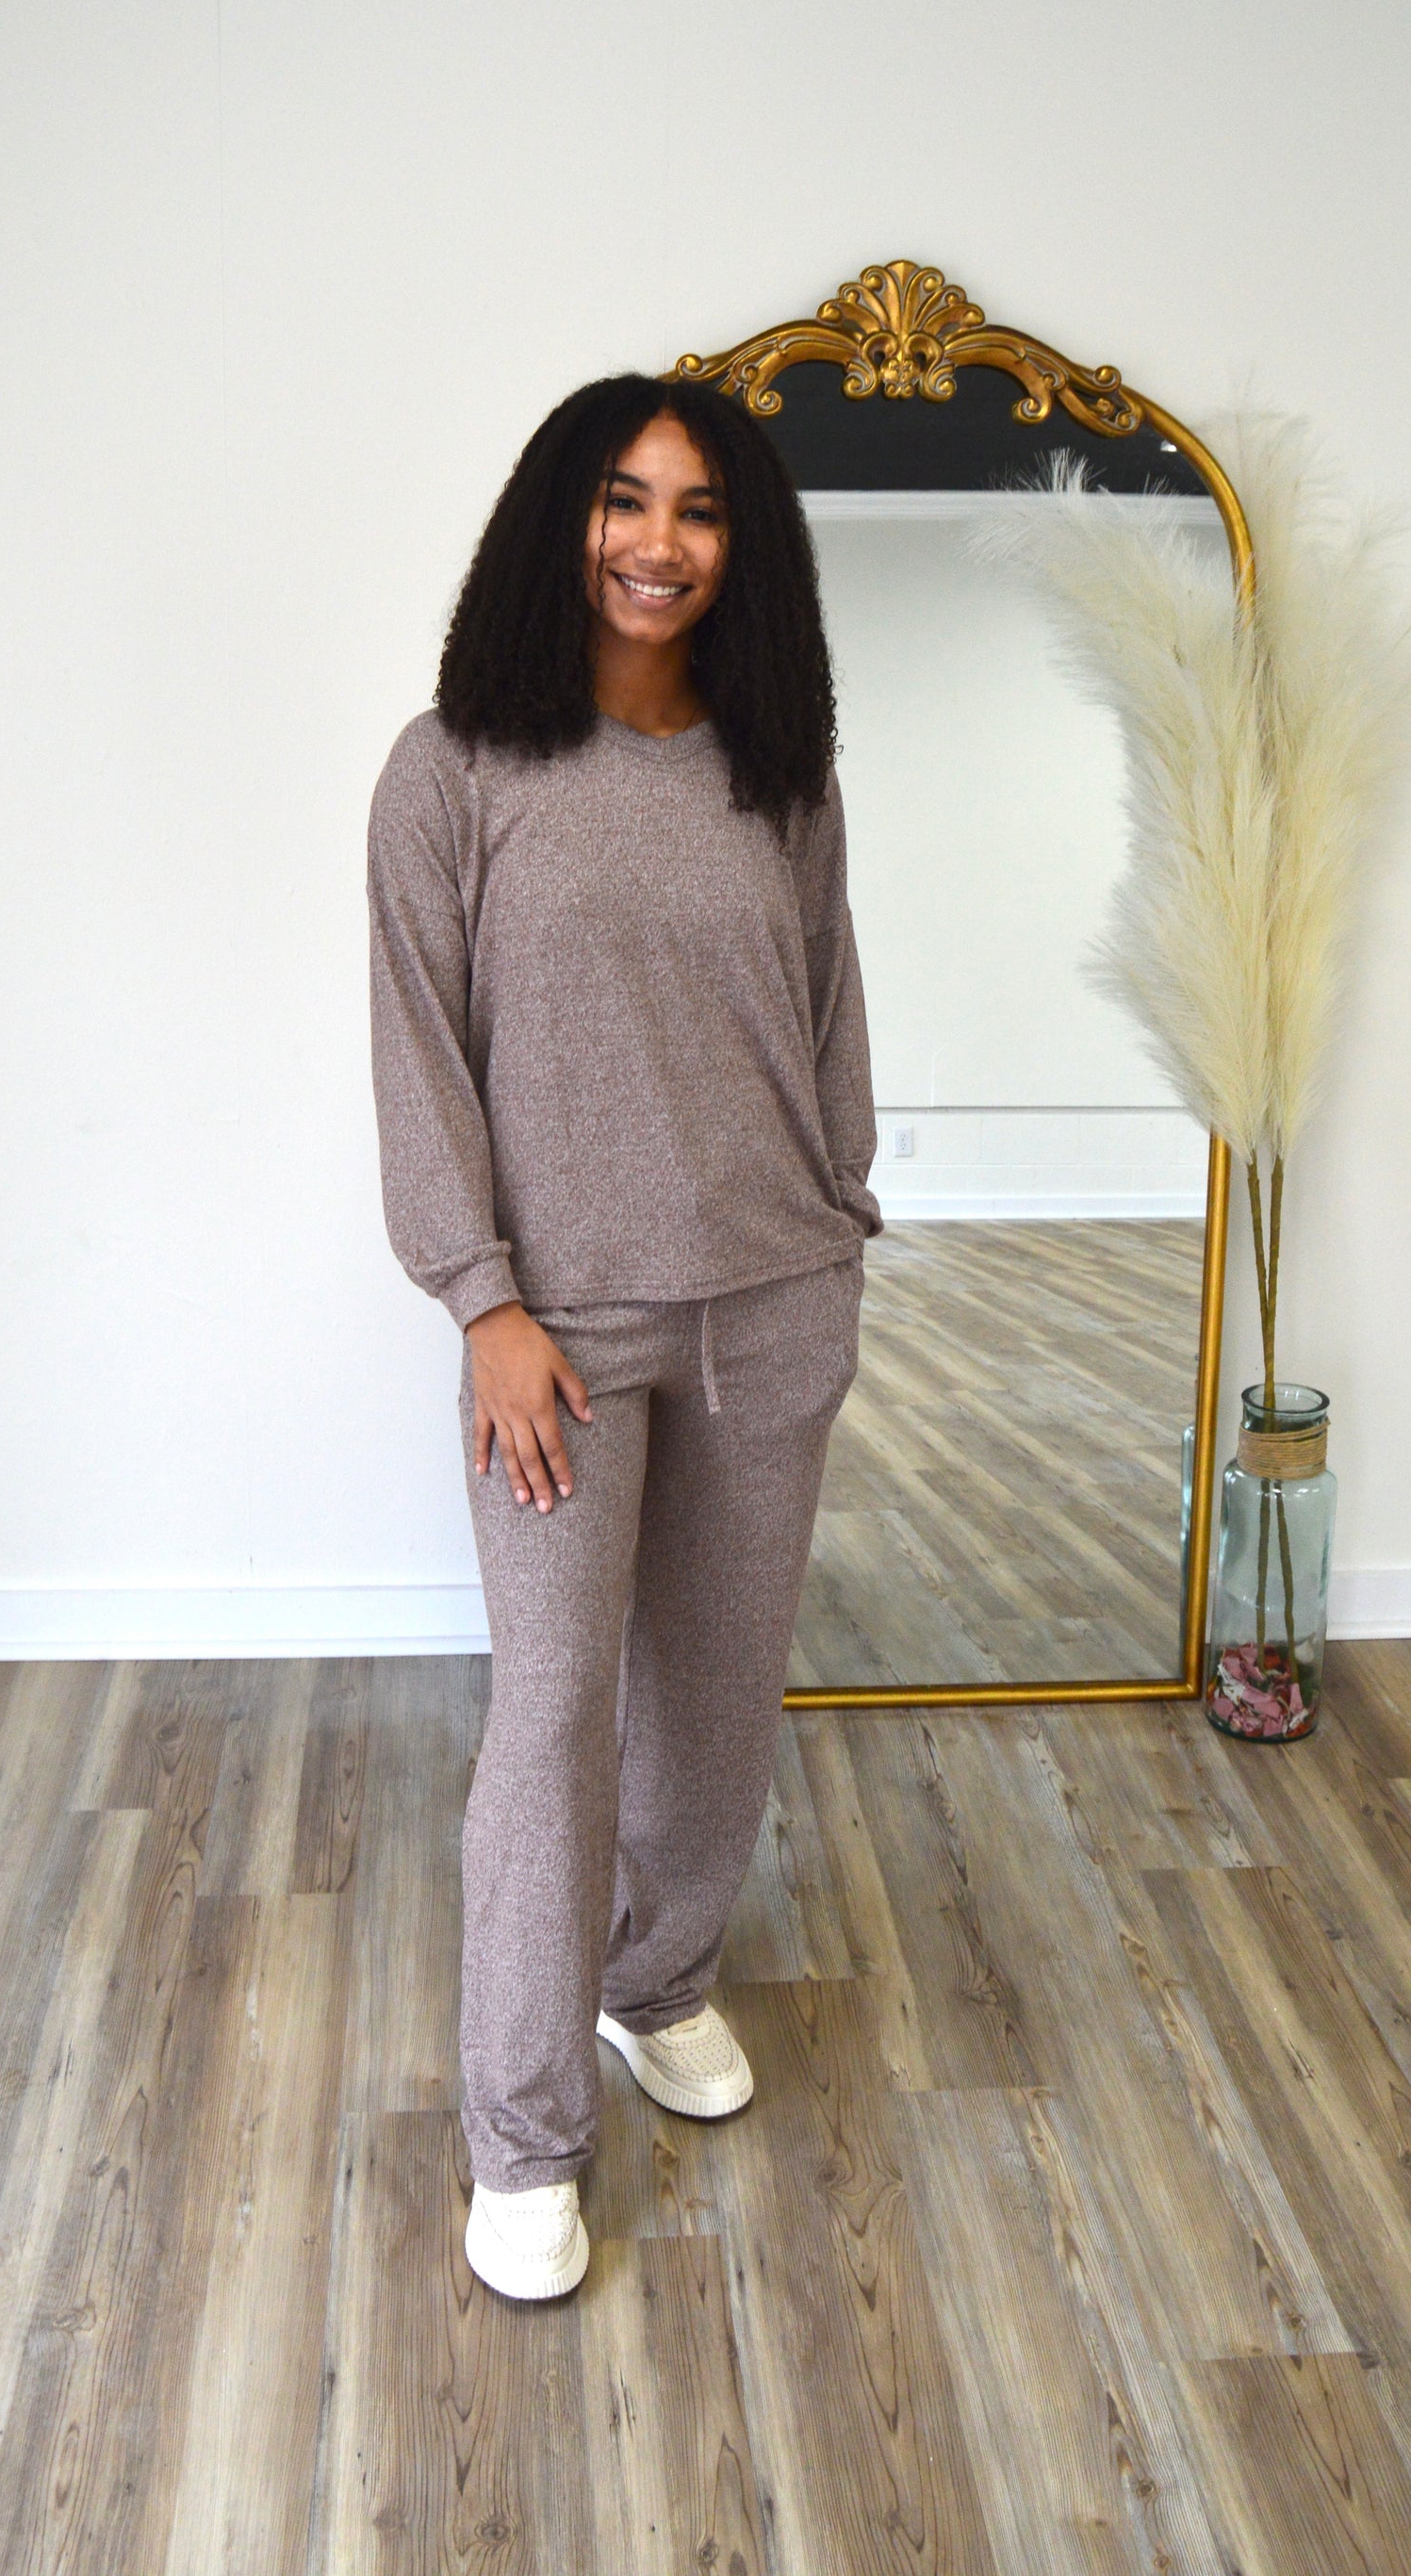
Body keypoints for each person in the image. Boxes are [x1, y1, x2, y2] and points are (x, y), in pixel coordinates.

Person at [367, 372, 879, 2301]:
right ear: (559, 521)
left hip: (773, 1298)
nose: (659, 543)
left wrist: (839, 1221)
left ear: (744, 549)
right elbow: (419, 1056)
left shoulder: (780, 774)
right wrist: (482, 1303)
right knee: (557, 1710)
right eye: (623, 498)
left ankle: (654, 1981)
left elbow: (827, 1011)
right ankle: (521, 2136)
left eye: (700, 510)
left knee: (719, 1698)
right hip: (560, 1331)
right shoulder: (454, 770)